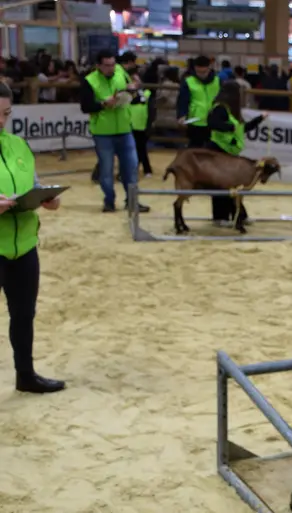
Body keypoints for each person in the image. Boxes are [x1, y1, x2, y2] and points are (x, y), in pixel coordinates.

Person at [0, 83, 65, 394]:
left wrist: (45, 198)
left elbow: (32, 183)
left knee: (24, 315)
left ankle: (25, 374)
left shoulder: (18, 144)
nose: (1, 121)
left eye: (6, 114)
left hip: (24, 247)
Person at [80, 50, 150, 213]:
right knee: (106, 170)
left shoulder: (120, 72)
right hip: (103, 132)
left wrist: (132, 89)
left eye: (113, 64)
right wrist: (104, 104)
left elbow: (129, 90)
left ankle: (132, 201)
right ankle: (109, 201)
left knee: (131, 167)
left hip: (125, 129)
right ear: (98, 66)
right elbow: (85, 107)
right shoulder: (90, 81)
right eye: (107, 65)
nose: (111, 68)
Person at [206, 80, 267, 223]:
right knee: (222, 186)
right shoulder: (219, 108)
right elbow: (213, 124)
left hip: (228, 151)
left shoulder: (229, 111)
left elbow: (242, 129)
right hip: (218, 150)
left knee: (231, 186)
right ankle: (221, 216)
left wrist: (260, 119)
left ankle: (238, 215)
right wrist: (230, 128)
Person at [177, 55, 220, 149]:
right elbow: (183, 100)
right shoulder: (189, 81)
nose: (201, 74)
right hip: (196, 122)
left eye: (204, 72)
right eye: (198, 72)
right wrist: (182, 115)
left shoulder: (218, 81)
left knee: (213, 151)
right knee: (194, 149)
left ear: (209, 68)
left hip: (214, 121)